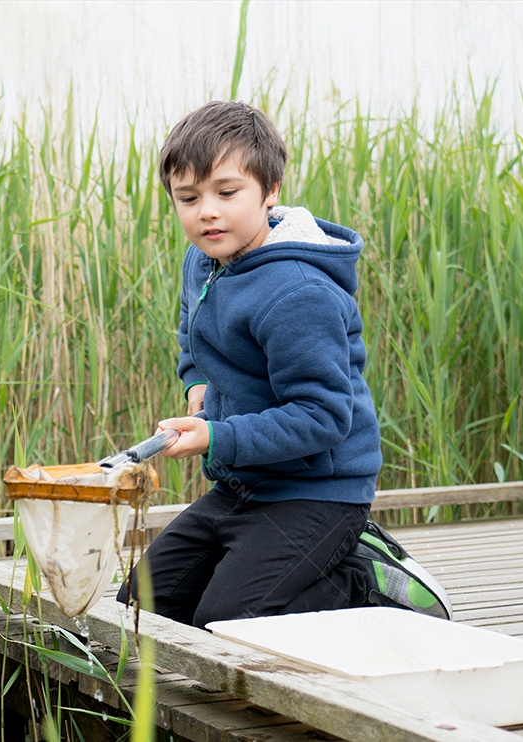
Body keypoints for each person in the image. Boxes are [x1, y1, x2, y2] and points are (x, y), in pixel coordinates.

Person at [117, 101, 450, 628]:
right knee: (141, 606)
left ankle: (366, 585)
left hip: (318, 493)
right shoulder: (205, 259)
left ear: (270, 190)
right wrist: (196, 382)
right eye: (189, 197)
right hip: (243, 483)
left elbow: (323, 417)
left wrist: (215, 437)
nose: (207, 212)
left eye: (227, 192)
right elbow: (191, 325)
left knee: (230, 622)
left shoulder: (298, 294)